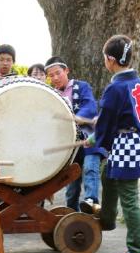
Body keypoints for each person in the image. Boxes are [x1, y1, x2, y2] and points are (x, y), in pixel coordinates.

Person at [83, 35, 140, 253]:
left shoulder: (116, 87)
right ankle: (107, 218)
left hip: (127, 144)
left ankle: (137, 251)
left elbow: (106, 121)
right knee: (108, 175)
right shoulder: (138, 82)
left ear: (111, 59)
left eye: (105, 58)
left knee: (130, 198)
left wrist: (94, 140)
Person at [44, 56, 104, 212]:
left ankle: (91, 200)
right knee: (72, 183)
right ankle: (72, 213)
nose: (55, 78)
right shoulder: (51, 95)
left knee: (91, 168)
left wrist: (74, 119)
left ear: (66, 70)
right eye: (51, 75)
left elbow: (90, 107)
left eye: (58, 73)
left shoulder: (81, 86)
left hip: (89, 138)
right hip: (69, 146)